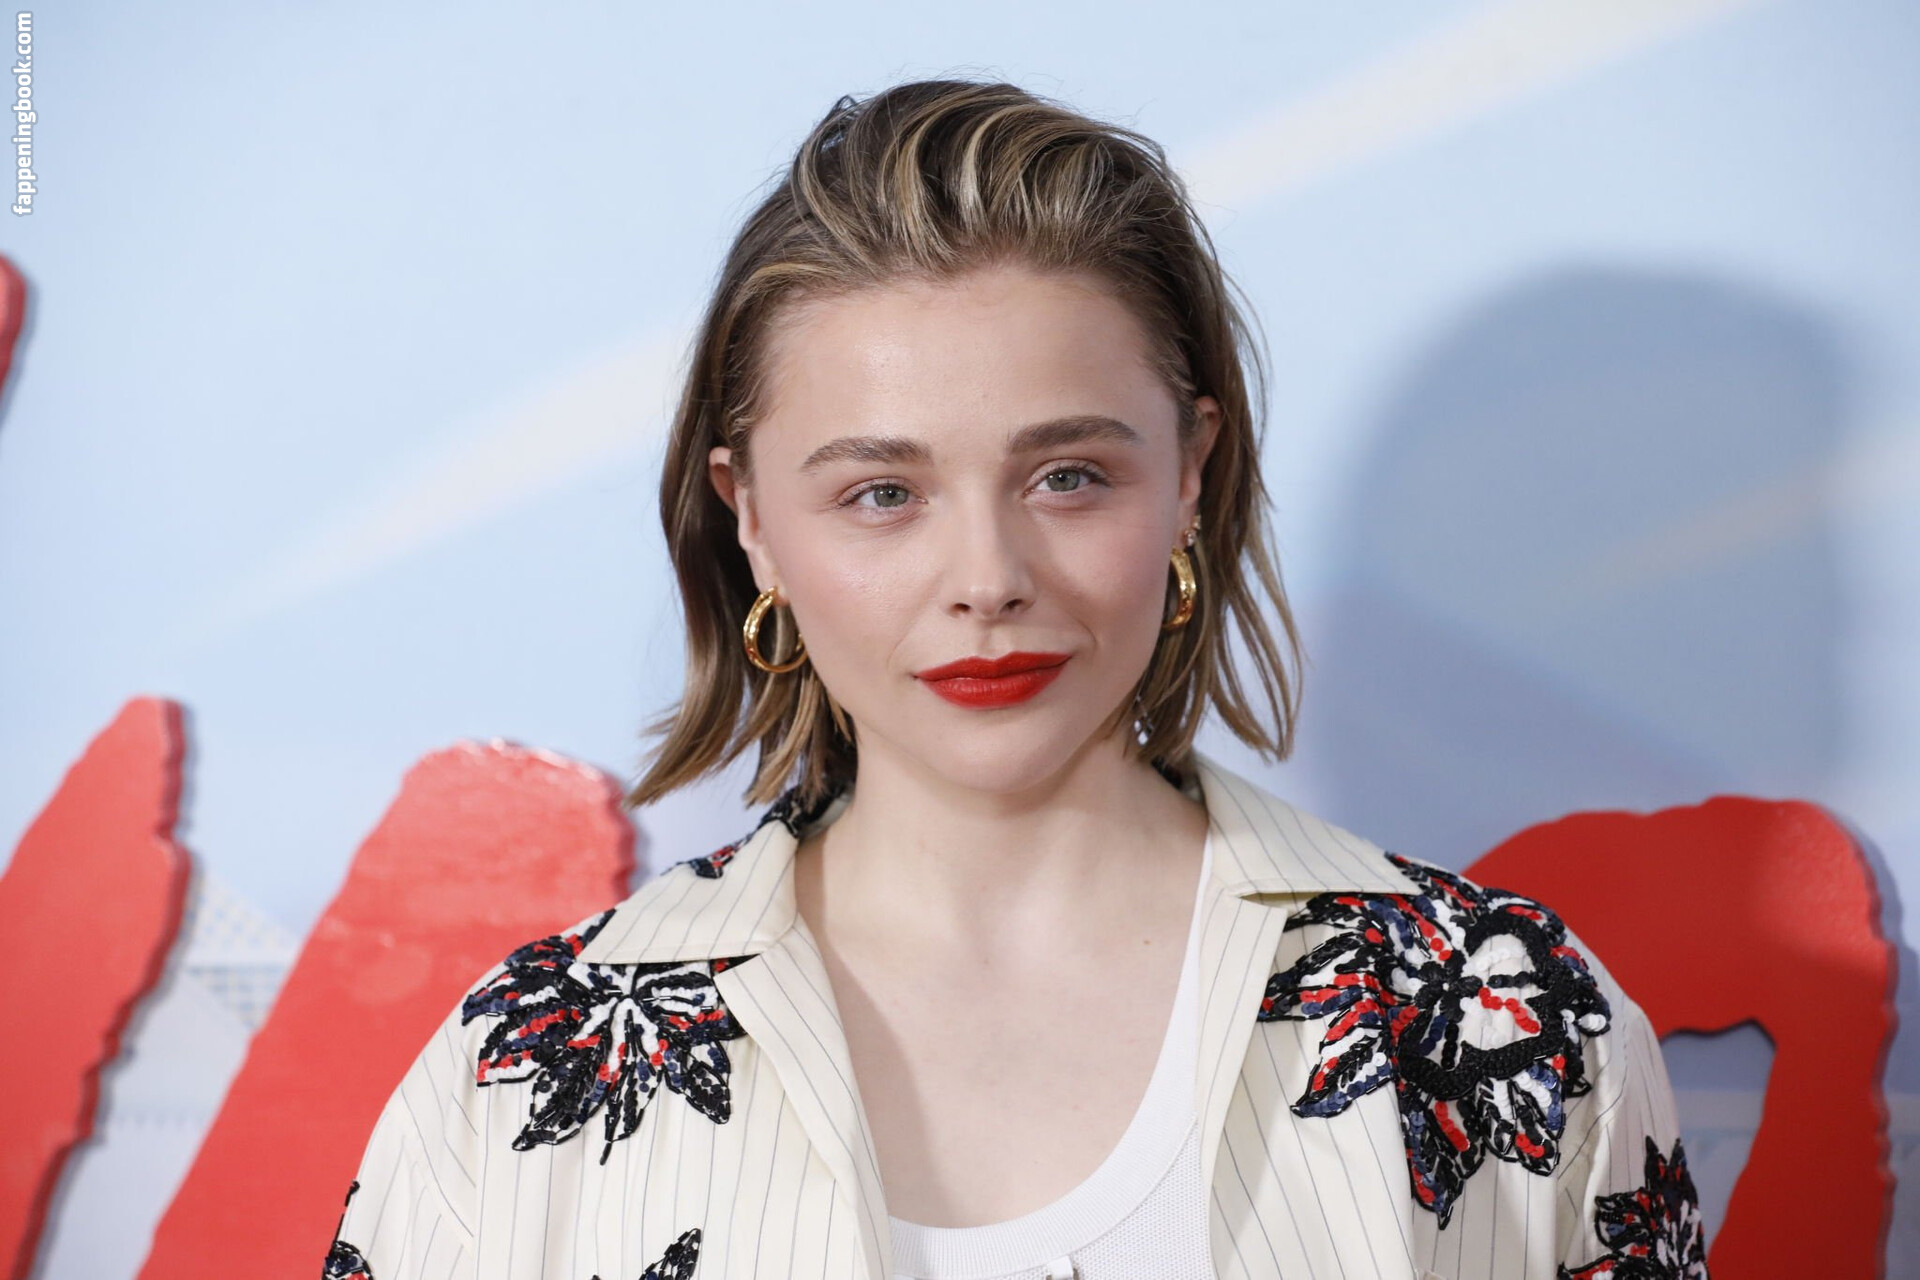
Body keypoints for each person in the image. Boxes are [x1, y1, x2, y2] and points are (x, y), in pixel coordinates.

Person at [326, 78, 1709, 1280]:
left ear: (1191, 474)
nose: (987, 578)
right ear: (753, 521)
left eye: (1068, 477)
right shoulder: (526, 1065)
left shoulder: (1504, 1014)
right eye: (882, 493)